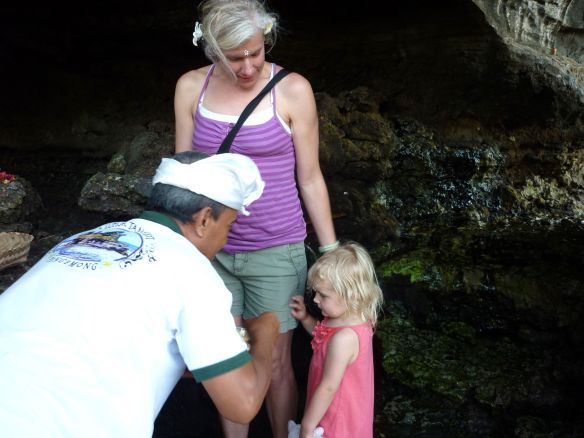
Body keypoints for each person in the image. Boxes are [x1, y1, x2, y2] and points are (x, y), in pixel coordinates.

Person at [0, 151, 280, 437]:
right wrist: (266, 330)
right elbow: (242, 404)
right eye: (229, 226)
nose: (224, 241)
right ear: (205, 219)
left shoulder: (82, 239)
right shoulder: (192, 269)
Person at [174, 1, 338, 437]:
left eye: (255, 53)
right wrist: (180, 250)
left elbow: (310, 177)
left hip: (276, 249)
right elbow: (184, 176)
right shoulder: (191, 88)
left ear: (266, 40)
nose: (247, 67)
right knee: (230, 362)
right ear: (212, 50)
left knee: (277, 362)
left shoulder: (293, 90)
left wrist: (331, 251)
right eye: (234, 58)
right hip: (214, 251)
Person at [289, 242, 384, 438]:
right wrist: (306, 318)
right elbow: (323, 337)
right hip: (340, 412)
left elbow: (328, 387)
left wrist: (307, 427)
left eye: (323, 295)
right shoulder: (353, 318)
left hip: (337, 419)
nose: (315, 299)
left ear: (351, 295)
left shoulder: (345, 338)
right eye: (315, 292)